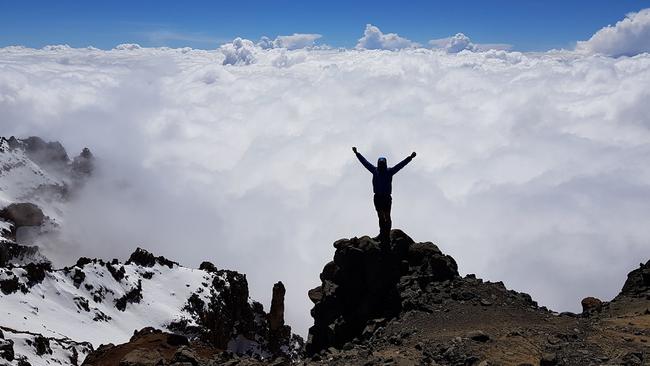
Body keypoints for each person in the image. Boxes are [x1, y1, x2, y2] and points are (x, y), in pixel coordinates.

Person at [352, 147, 416, 243]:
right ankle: (383, 235)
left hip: (385, 197)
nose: (381, 165)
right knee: (381, 216)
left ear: (384, 164)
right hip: (378, 197)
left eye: (382, 164)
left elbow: (401, 165)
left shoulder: (387, 171)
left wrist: (410, 157)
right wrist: (357, 153)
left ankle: (386, 235)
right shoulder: (376, 170)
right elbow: (364, 162)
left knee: (386, 216)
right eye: (380, 164)